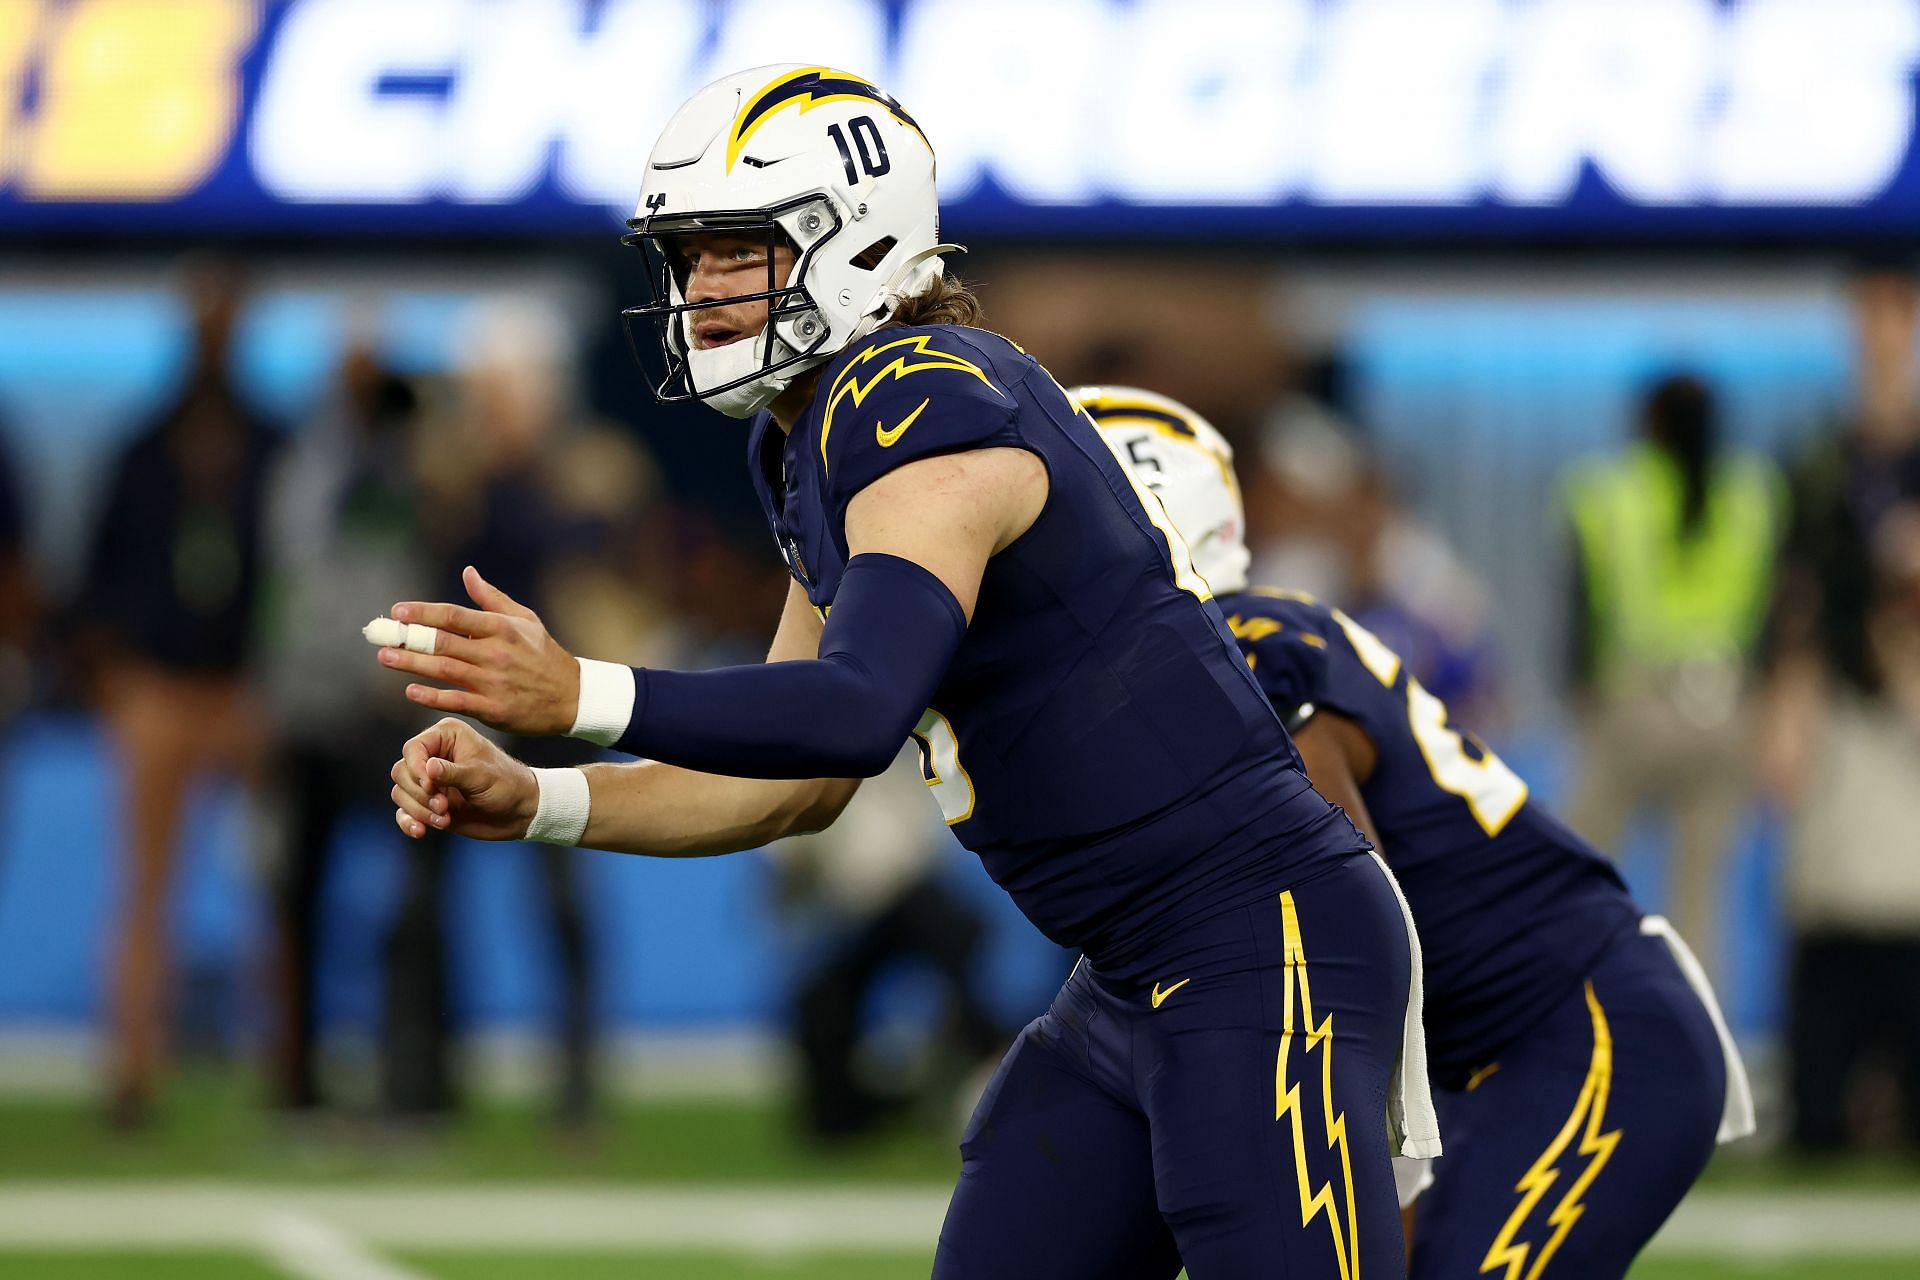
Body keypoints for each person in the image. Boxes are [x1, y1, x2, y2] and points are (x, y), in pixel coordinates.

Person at [374, 64, 1435, 1278]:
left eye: (738, 251)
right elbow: (791, 785)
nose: (702, 291)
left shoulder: (916, 401)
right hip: (1138, 967)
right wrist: (546, 798)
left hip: (1260, 941)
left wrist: (581, 695)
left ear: (855, 242)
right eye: (689, 258)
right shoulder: (812, 434)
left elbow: (853, 709)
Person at [1074, 385, 1753, 1280]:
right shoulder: (1241, 644)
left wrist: (1386, 1172)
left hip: (1586, 1034)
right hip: (1499, 1060)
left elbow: (1351, 932)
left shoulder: (1250, 656)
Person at [76, 260, 280, 1128]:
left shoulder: (274, 445)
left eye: (226, 317)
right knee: (146, 890)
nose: (215, 332)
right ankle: (134, 1073)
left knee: (277, 886)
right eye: (204, 317)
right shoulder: (142, 447)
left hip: (248, 691)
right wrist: (118, 679)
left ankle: (288, 1073)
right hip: (160, 690)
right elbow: (100, 576)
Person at [1764, 260, 1920, 1153]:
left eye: (1893, 317)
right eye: (1867, 318)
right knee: (1833, 898)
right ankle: (1824, 1106)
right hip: (1847, 709)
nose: (1878, 335)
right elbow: (1800, 600)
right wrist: (1786, 712)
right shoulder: (1826, 460)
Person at [1561, 373, 1783, 988]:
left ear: (1649, 423)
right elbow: (1774, 610)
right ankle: (1701, 1046)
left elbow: (1579, 615)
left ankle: (1568, 1011)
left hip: (1634, 701)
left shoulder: (1609, 490)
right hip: (1725, 703)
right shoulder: (1754, 492)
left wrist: (1583, 699)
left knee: (1580, 869)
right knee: (1702, 897)